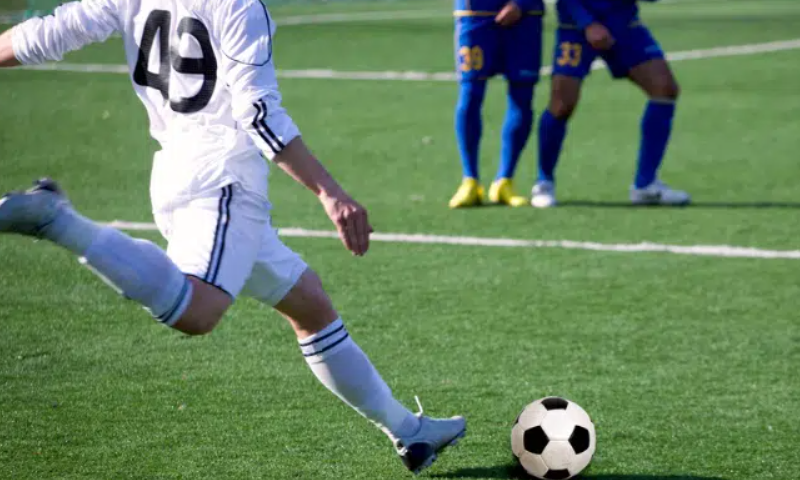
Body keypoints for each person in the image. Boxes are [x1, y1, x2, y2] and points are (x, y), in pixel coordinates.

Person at [0, 0, 465, 473]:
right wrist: (330, 192)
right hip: (224, 180)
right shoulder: (239, 5)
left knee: (309, 303)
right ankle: (57, 221)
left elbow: (51, 32)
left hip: (175, 171)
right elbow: (257, 112)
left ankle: (408, 430)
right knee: (198, 311)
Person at [531, 0, 690, 208]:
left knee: (664, 89)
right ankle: (544, 182)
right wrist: (587, 23)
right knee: (561, 105)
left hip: (624, 25)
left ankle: (645, 185)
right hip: (576, 29)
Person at [448, 0, 544, 208]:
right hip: (476, 12)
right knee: (470, 93)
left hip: (525, 15)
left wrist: (521, 3)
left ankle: (505, 180)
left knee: (522, 95)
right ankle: (469, 180)